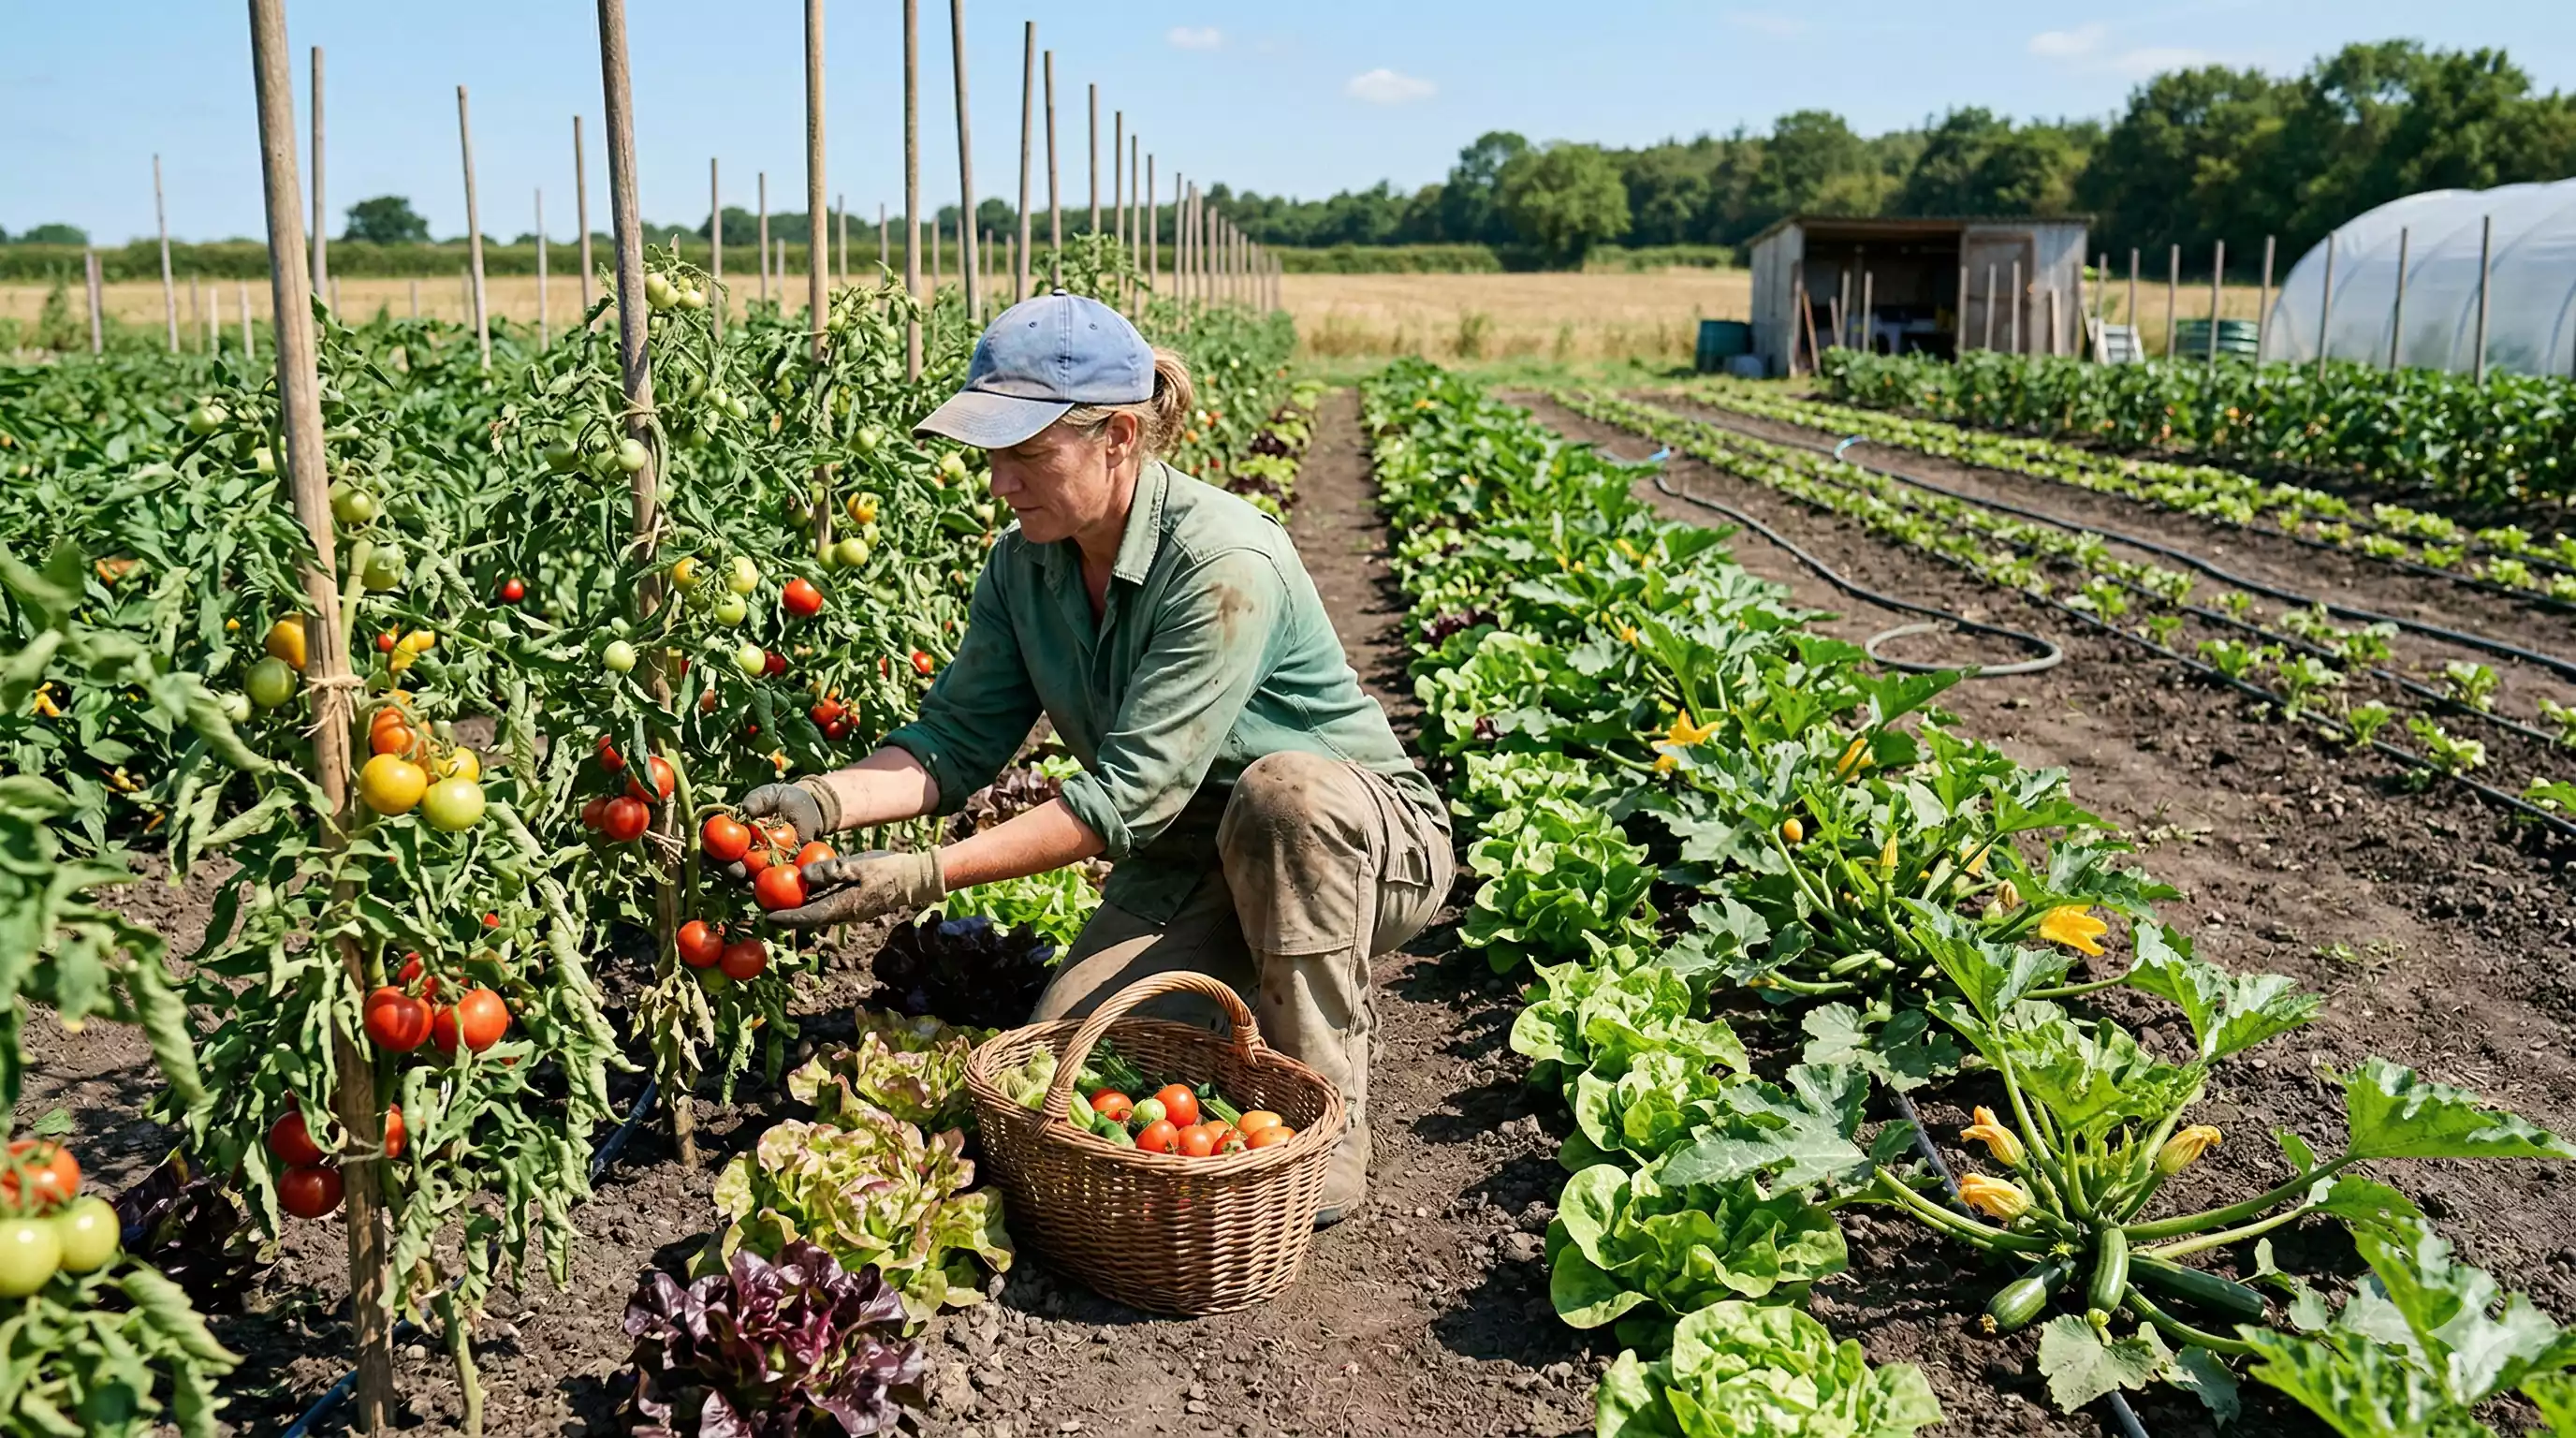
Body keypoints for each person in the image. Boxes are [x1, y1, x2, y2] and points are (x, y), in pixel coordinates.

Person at [740, 291, 1452, 1224]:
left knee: (1282, 797)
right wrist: (820, 804)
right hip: (1188, 861)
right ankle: (1253, 985)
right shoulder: (1024, 564)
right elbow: (953, 744)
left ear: (1118, 435)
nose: (999, 480)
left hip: (1358, 848)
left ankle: (1329, 1110)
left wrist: (920, 873)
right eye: (991, 453)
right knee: (1055, 1069)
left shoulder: (1221, 560)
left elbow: (1126, 798)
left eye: (1027, 454)